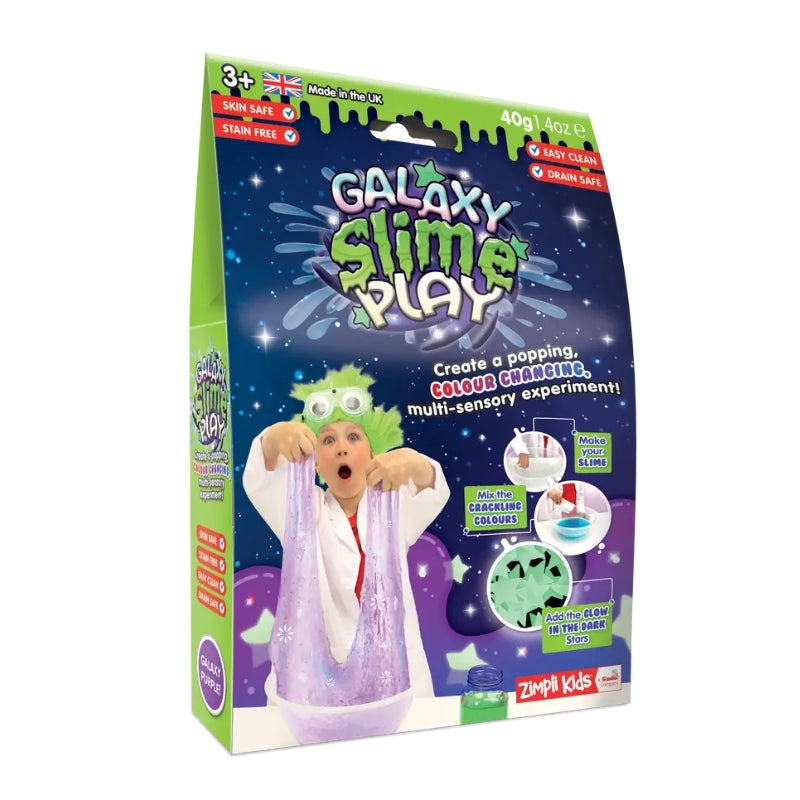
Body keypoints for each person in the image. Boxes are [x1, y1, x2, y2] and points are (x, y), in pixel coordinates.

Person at [243, 364, 450, 701]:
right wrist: (274, 437)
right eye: (327, 440)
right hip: (317, 686)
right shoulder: (301, 510)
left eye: (353, 437)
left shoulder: (394, 504)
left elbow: (432, 490)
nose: (341, 448)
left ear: (373, 454)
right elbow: (261, 479)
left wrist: (412, 461)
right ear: (315, 462)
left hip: (396, 679)